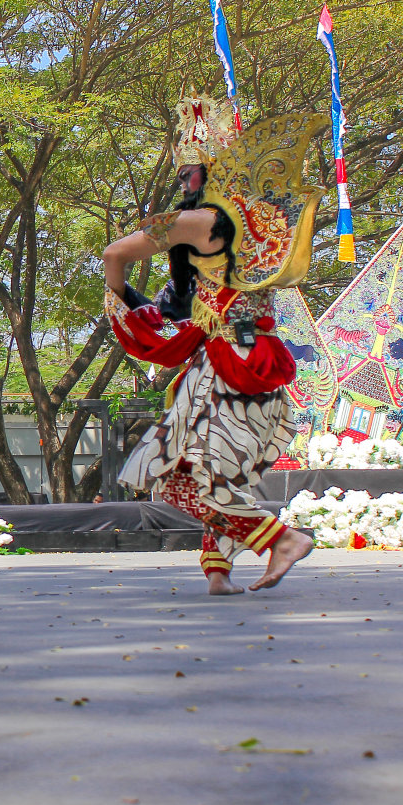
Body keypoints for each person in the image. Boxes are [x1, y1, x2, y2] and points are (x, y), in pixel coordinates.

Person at [102, 97, 316, 595]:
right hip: (248, 360)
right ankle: (217, 571)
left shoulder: (204, 223)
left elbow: (117, 252)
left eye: (187, 176)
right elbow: (181, 305)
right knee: (206, 475)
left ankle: (279, 539)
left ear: (207, 173)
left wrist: (114, 288)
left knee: (180, 475)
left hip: (226, 371)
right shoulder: (255, 218)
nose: (183, 186)